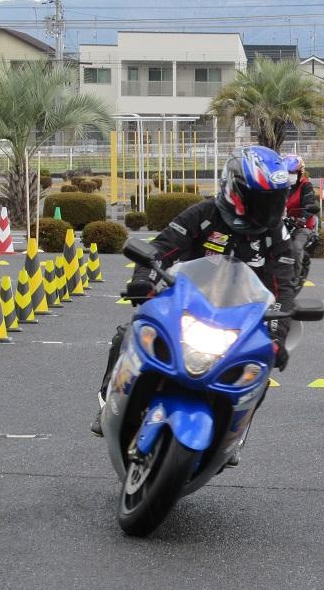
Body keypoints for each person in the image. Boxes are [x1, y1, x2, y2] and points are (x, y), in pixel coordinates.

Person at [92, 145, 296, 439]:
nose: (270, 208)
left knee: (258, 368)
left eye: (275, 200)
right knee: (127, 334)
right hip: (185, 305)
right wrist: (144, 281)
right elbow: (161, 248)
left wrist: (278, 336)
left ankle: (234, 434)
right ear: (235, 192)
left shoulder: (277, 234)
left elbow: (283, 286)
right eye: (261, 200)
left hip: (240, 318)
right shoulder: (204, 214)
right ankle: (108, 404)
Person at [282, 153, 319, 283]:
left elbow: (309, 203)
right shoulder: (278, 186)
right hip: (281, 223)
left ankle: (295, 279)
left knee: (296, 247)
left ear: (300, 173)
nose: (290, 175)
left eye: (293, 172)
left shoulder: (306, 186)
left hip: (301, 225)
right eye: (287, 172)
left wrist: (302, 218)